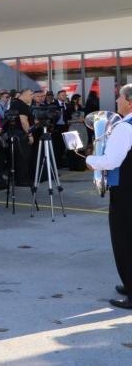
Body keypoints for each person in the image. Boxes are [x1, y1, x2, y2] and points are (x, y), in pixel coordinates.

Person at [86, 84, 132, 309]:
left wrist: (90, 160)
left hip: (125, 191)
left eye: (120, 98)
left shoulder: (124, 127)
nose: (117, 102)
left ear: (129, 102)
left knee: (124, 241)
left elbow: (111, 161)